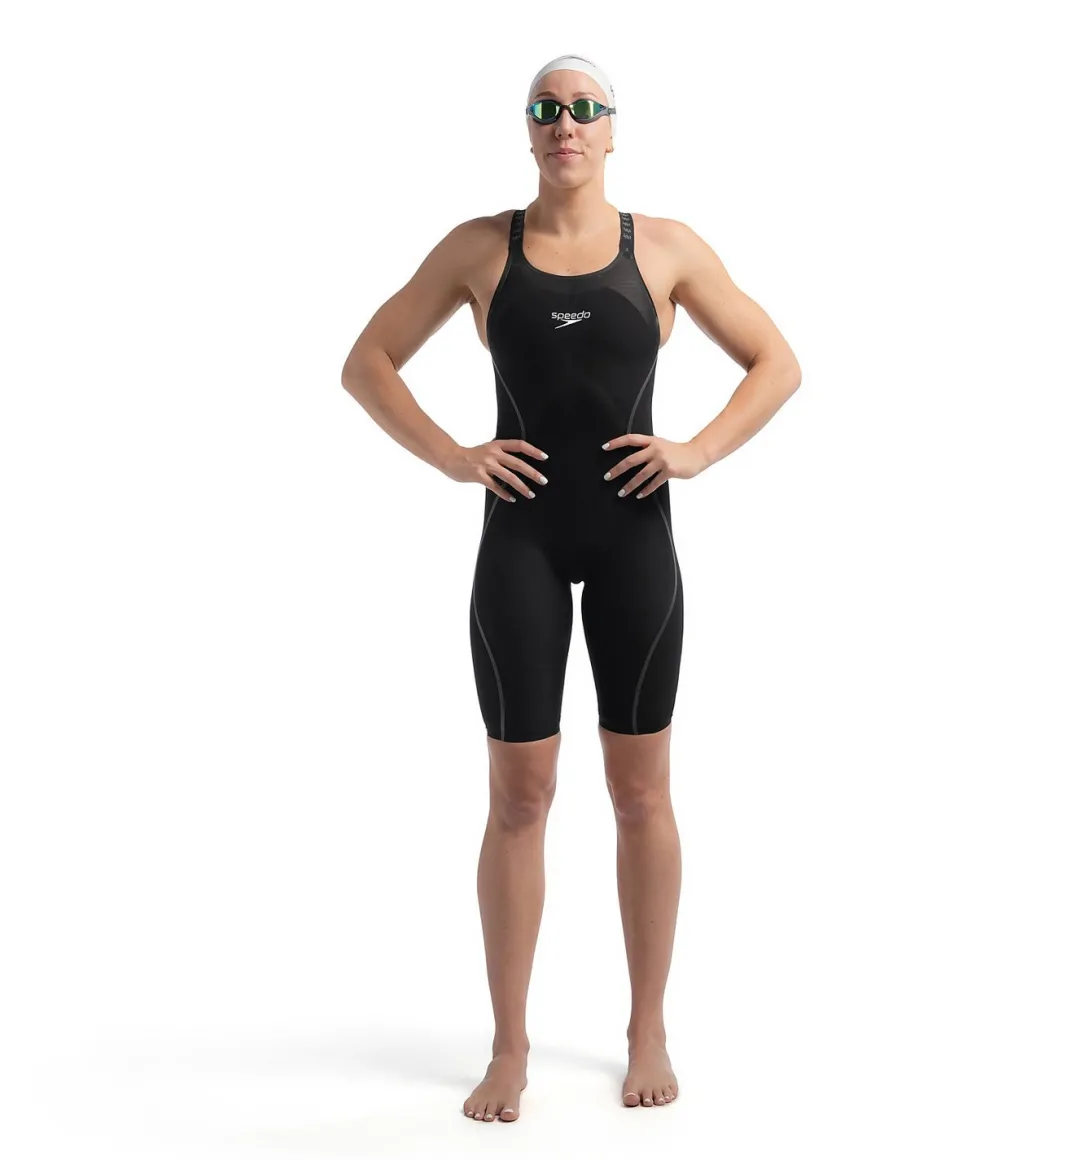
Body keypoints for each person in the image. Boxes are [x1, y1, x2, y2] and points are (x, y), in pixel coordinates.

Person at [341, 53, 801, 1122]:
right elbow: (367, 362)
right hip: (522, 546)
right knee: (519, 797)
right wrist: (455, 456)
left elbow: (776, 362)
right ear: (528, 129)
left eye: (584, 108)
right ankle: (509, 1045)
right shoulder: (478, 248)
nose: (566, 124)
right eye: (547, 108)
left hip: (636, 541)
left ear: (612, 129)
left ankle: (648, 1026)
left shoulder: (666, 247)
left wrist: (697, 449)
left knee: (641, 794)